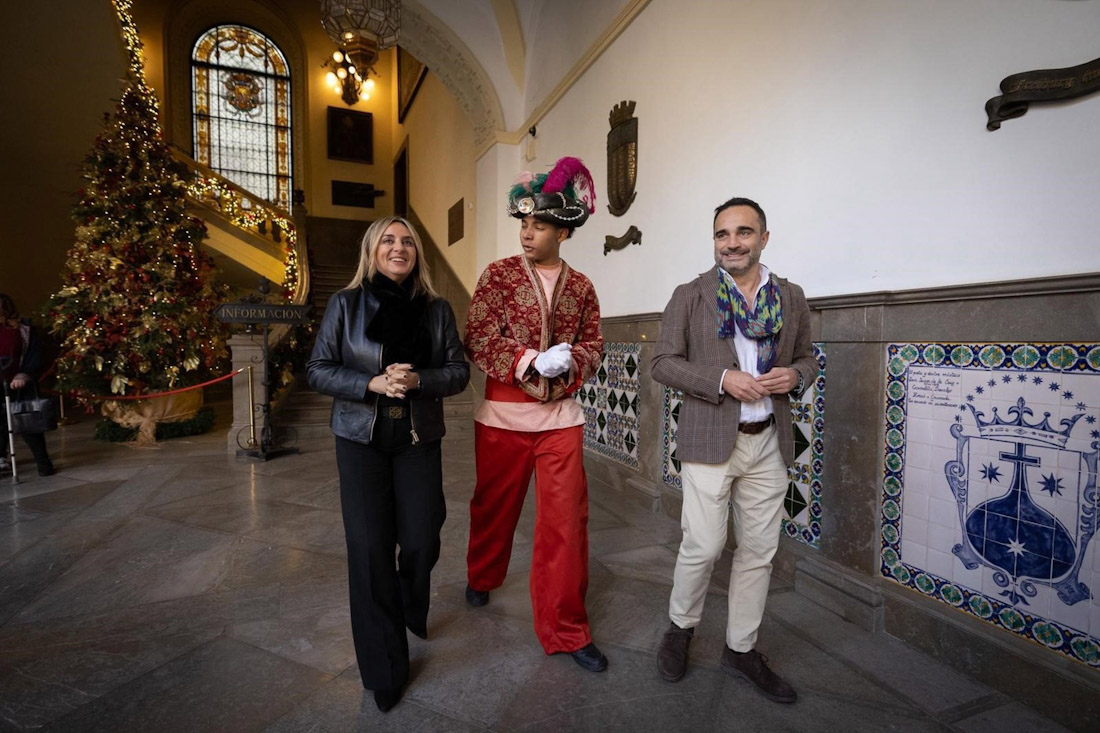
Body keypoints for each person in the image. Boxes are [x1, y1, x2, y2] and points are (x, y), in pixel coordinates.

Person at [651, 197, 815, 703]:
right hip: (709, 439)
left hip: (768, 439)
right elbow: (662, 363)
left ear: (764, 238)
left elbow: (808, 358)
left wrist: (796, 375)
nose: (732, 243)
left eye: (744, 233)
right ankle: (680, 629)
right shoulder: (691, 294)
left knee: (759, 554)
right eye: (722, 234)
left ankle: (741, 648)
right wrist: (723, 378)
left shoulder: (790, 296)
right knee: (702, 545)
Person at [306, 216, 470, 712]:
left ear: (417, 253)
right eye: (388, 241)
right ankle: (384, 668)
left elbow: (458, 372)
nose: (398, 248)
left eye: (407, 242)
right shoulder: (344, 304)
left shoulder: (437, 309)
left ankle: (406, 600)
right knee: (370, 549)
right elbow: (318, 368)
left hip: (417, 437)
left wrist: (419, 380)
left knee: (421, 536)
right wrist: (369, 384)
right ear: (371, 250)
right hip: (360, 440)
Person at [463, 156, 608, 672]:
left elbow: (594, 343)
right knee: (493, 508)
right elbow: (477, 336)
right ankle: (481, 574)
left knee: (566, 525)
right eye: (523, 223)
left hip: (561, 422)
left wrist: (570, 366)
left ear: (563, 231)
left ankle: (566, 630)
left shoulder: (584, 286)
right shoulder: (498, 275)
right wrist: (528, 361)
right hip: (501, 418)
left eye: (539, 224)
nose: (527, 233)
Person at [0, 293, 55, 477]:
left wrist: (24, 374)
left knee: (27, 422)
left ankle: (43, 462)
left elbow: (34, 354)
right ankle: (1, 459)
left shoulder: (24, 329)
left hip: (18, 382)